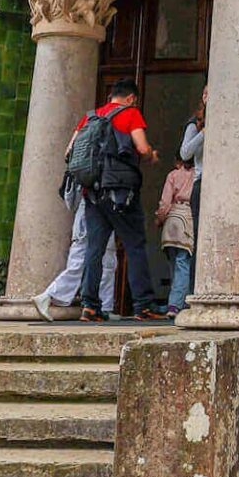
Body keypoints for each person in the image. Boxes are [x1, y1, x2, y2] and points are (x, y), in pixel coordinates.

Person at [75, 78, 167, 323]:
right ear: (130, 98)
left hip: (92, 193)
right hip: (120, 192)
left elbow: (69, 151)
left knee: (94, 248)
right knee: (135, 245)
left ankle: (90, 306)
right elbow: (141, 146)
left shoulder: (90, 117)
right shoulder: (131, 114)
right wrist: (151, 155)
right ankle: (143, 305)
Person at [35, 176, 115, 321]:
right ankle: (50, 295)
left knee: (94, 262)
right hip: (97, 210)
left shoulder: (78, 157)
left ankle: (102, 307)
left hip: (86, 211)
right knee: (95, 262)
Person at [155, 154, 197, 314]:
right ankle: (176, 304)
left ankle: (177, 301)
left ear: (177, 161)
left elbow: (165, 202)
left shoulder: (173, 175)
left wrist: (159, 218)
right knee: (183, 263)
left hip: (171, 220)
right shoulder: (198, 175)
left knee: (174, 264)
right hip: (187, 219)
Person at [180, 86, 206, 286]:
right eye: (205, 93)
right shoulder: (195, 125)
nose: (208, 96)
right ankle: (194, 290)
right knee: (199, 239)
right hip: (202, 183)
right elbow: (185, 153)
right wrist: (204, 133)